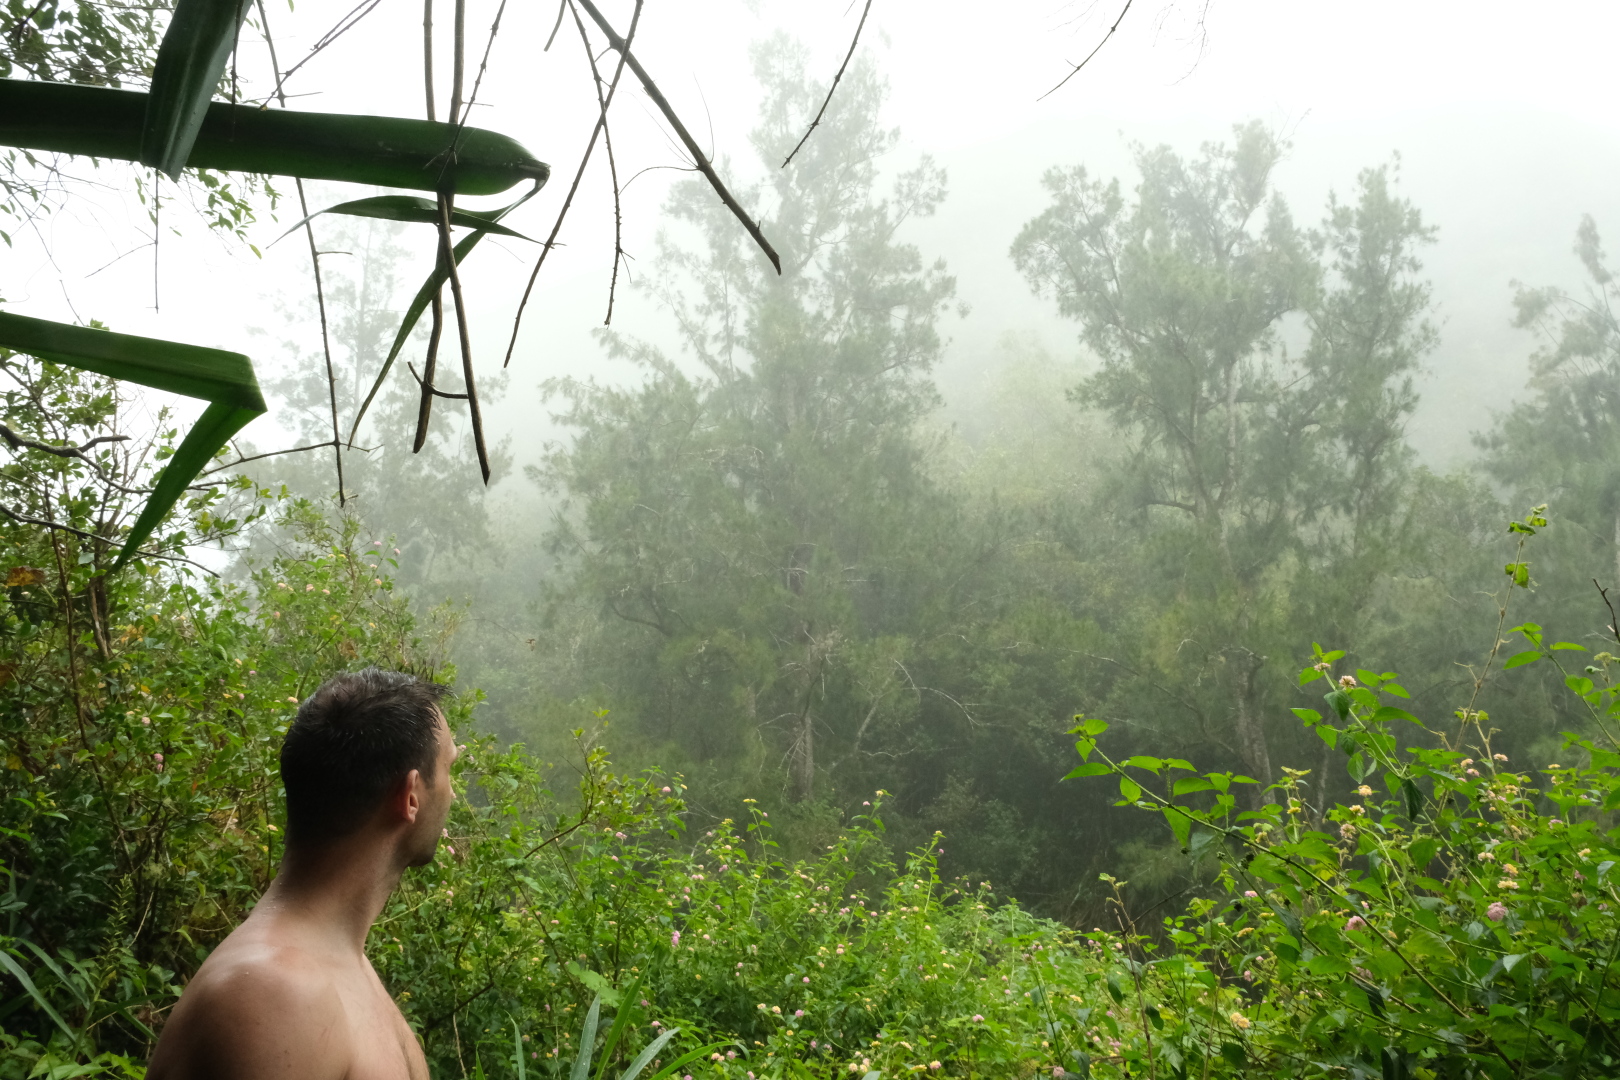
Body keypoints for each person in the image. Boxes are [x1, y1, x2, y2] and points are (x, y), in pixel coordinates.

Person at [148, 668, 458, 1080]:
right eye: (450, 768)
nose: (453, 792)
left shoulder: (338, 967)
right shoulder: (274, 993)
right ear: (411, 795)